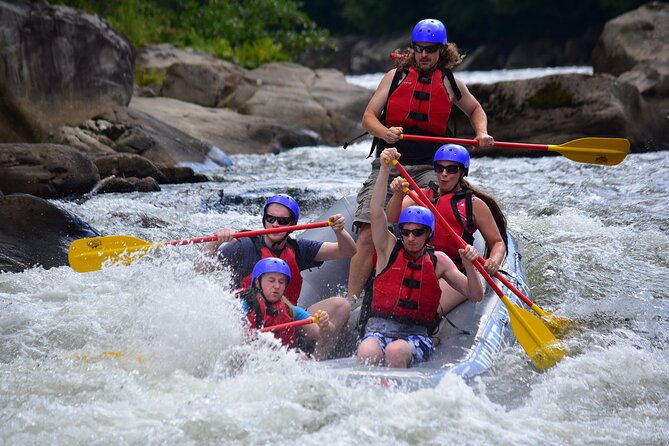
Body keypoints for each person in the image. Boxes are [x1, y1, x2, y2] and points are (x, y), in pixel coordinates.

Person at [347, 18, 495, 302]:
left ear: (442, 51)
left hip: (430, 169)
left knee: (427, 224)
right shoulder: (395, 77)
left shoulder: (451, 83)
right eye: (419, 49)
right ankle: (352, 299)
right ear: (413, 48)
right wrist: (385, 132)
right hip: (390, 164)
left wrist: (482, 132)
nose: (424, 55)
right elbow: (368, 118)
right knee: (367, 233)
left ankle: (429, 289)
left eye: (431, 49)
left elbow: (475, 109)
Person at [356, 148, 483, 368]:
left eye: (418, 232)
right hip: (377, 330)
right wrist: (385, 168)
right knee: (367, 352)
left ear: (429, 234)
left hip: (415, 336)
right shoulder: (388, 250)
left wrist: (470, 265)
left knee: (395, 352)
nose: (411, 238)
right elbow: (376, 211)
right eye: (405, 232)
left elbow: (476, 294)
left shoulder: (439, 260)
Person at [197, 193, 356, 358]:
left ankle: (316, 361)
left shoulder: (298, 249)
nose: (275, 224)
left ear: (292, 224)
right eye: (270, 219)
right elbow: (200, 269)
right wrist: (215, 241)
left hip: (286, 316)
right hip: (251, 321)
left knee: (341, 306)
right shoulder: (244, 246)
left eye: (282, 221)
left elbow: (348, 251)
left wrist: (339, 231)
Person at [387, 143, 507, 317]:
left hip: (454, 273)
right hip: (419, 266)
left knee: (424, 309)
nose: (444, 174)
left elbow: (497, 242)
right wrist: (398, 195)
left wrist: (494, 260)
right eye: (439, 168)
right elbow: (392, 218)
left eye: (451, 169)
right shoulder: (420, 195)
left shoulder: (474, 205)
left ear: (462, 172)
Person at [239, 257, 334, 359]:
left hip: (279, 360)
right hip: (251, 358)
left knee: (302, 358)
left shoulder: (290, 310)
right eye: (271, 281)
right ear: (258, 283)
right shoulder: (244, 306)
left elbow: (320, 334)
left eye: (281, 282)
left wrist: (326, 325)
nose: (277, 286)